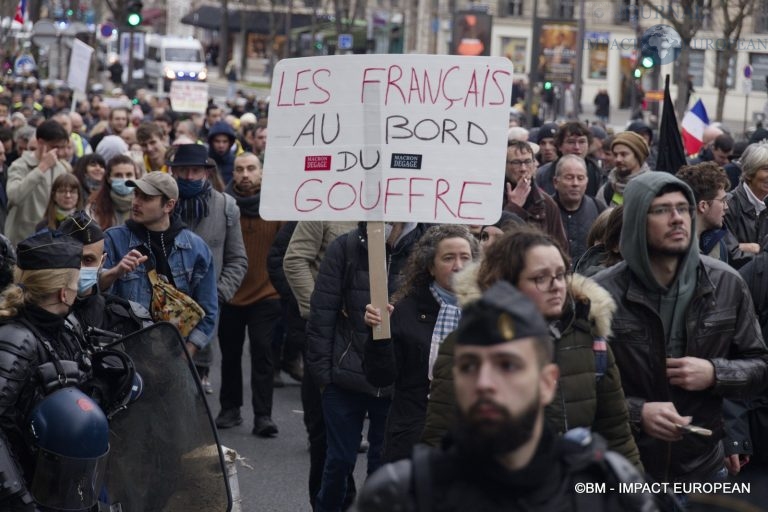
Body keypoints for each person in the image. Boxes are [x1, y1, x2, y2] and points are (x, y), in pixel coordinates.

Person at [356, 281, 653, 512]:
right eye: (470, 366)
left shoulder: (608, 491)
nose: (484, 383)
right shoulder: (402, 494)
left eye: (507, 365)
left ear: (548, 382)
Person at [593, 171, 768, 483]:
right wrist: (636, 413)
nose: (676, 219)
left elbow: (759, 366)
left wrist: (715, 373)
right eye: (661, 210)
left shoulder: (726, 283)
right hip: (624, 470)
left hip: (703, 468)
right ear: (635, 221)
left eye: (683, 208)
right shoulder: (598, 294)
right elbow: (574, 387)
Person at [422, 225, 641, 467]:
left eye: (560, 274)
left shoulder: (590, 340)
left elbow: (617, 436)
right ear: (506, 283)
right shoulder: (467, 346)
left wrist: (634, 493)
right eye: (540, 278)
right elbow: (441, 439)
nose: (557, 285)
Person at [307, 221, 427, 512]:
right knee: (338, 462)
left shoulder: (425, 249)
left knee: (382, 467)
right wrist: (324, 377)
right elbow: (321, 314)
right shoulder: (346, 246)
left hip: (394, 381)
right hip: (345, 377)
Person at [0, 231, 107, 510]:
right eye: (74, 280)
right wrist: (18, 497)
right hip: (30, 485)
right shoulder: (16, 339)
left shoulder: (67, 325)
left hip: (65, 483)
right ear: (63, 292)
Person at [362, 225, 480, 462]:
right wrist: (378, 335)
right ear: (430, 266)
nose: (458, 266)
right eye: (448, 258)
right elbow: (381, 377)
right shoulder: (404, 311)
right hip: (415, 440)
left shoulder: (488, 312)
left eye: (465, 257)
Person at [98, 172, 218, 359]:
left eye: (146, 198)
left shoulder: (196, 248)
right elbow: (90, 291)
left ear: (169, 205)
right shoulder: (113, 239)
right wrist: (115, 272)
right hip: (124, 351)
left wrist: (187, 355)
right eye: (136, 194)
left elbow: (208, 310)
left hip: (172, 353)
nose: (136, 202)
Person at [283, 219, 359, 510]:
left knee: (383, 434)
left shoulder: (400, 208)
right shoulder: (327, 205)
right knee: (325, 430)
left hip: (379, 337)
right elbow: (294, 260)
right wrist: (319, 308)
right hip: (328, 337)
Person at [167, 143, 247, 394]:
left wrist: (218, 294)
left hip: (206, 311)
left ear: (206, 173)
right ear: (173, 173)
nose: (189, 177)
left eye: (195, 171)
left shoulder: (225, 207)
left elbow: (237, 260)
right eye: (183, 171)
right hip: (165, 308)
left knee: (195, 387)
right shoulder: (162, 204)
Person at [215, 152, 283, 436]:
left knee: (263, 353)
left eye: (251, 168)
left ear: (262, 173)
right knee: (229, 353)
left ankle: (263, 415)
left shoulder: (278, 205)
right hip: (231, 291)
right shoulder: (224, 205)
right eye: (240, 169)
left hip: (267, 293)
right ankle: (230, 408)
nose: (245, 174)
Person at [59, 211, 151, 340]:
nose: (78, 267)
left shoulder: (120, 318)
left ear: (102, 261)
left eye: (88, 260)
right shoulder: (43, 315)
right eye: (72, 258)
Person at [5, 119, 71, 245]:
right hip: (21, 241)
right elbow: (14, 197)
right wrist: (42, 168)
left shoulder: (61, 168)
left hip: (50, 242)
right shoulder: (20, 165)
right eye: (55, 147)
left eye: (63, 147)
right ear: (41, 143)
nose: (60, 152)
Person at [503, 140, 569, 252]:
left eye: (528, 162)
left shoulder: (546, 203)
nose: (523, 168)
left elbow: (561, 248)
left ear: (535, 165)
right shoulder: (493, 199)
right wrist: (513, 208)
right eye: (516, 162)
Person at [552, 154, 605, 262]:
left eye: (580, 178)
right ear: (556, 182)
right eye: (569, 178)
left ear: (586, 182)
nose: (575, 184)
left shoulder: (598, 208)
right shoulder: (544, 209)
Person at [534, 122, 604, 197]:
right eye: (571, 142)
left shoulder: (598, 174)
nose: (577, 147)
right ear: (560, 146)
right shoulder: (542, 174)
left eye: (582, 142)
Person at [724, 142, 768, 254]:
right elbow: (727, 253)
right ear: (749, 173)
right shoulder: (727, 205)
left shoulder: (764, 205)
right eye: (766, 169)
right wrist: (759, 251)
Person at [596, 131, 650, 209]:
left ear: (638, 156)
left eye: (623, 154)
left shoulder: (651, 188)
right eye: (615, 154)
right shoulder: (607, 190)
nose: (618, 159)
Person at [86, 154, 138, 230]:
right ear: (108, 178)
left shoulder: (144, 205)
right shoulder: (95, 207)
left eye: (129, 175)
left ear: (136, 177)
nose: (124, 179)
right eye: (118, 175)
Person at [207, 121, 243, 185]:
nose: (221, 145)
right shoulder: (204, 161)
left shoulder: (235, 162)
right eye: (217, 141)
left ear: (230, 143)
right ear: (211, 142)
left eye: (225, 141)